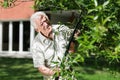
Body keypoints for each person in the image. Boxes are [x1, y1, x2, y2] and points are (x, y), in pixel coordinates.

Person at [30, 11, 79, 80]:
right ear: (37, 29)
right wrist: (58, 72)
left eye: (46, 20)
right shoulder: (36, 44)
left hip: (70, 76)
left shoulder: (61, 29)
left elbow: (75, 36)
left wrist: (75, 41)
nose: (46, 24)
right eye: (42, 24)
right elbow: (41, 68)